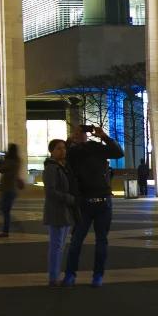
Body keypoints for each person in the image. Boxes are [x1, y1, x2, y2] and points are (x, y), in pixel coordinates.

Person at [62, 123, 124, 287]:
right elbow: (62, 156)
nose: (82, 134)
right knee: (76, 241)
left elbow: (119, 153)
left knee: (101, 241)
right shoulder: (73, 152)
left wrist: (103, 136)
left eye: (84, 132)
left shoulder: (97, 147)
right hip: (83, 203)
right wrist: (71, 139)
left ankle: (98, 276)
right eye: (79, 131)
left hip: (103, 202)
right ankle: (70, 275)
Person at [42, 138, 76, 286]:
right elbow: (50, 192)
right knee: (56, 245)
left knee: (59, 245)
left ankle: (55, 275)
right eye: (58, 148)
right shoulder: (51, 168)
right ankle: (53, 277)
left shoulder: (63, 166)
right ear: (52, 151)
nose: (63, 151)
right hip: (56, 211)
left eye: (64, 148)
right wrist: (69, 198)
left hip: (64, 211)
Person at [0, 143, 23, 238]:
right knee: (5, 209)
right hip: (12, 188)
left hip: (7, 188)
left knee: (3, 210)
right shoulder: (17, 161)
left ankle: (6, 230)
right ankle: (10, 225)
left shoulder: (9, 161)